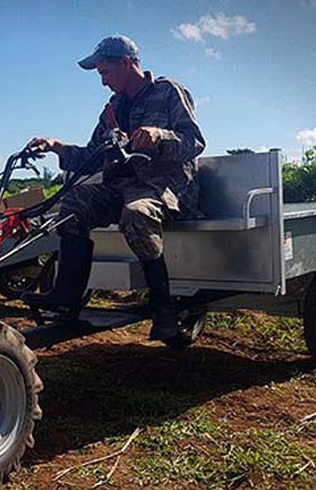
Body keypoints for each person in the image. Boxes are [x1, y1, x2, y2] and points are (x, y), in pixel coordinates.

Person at [23, 34, 205, 340]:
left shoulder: (168, 91)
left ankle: (163, 309)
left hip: (164, 187)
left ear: (125, 63)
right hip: (122, 187)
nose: (103, 82)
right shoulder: (112, 108)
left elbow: (195, 142)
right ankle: (66, 299)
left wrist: (160, 136)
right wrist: (56, 146)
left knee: (136, 213)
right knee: (74, 205)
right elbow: (91, 157)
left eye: (105, 73)